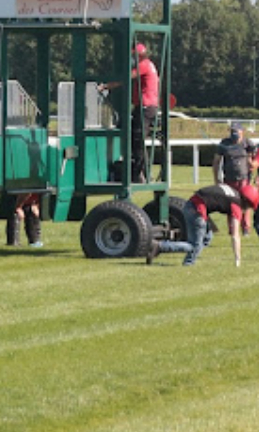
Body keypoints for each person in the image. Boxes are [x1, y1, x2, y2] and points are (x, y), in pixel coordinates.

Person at [101, 42, 160, 182]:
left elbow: (126, 78)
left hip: (145, 107)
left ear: (138, 55)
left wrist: (106, 86)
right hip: (147, 106)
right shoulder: (149, 64)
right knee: (136, 141)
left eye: (133, 56)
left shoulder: (144, 65)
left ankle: (139, 174)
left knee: (137, 141)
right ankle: (143, 172)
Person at [154, 183, 244, 267]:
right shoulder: (236, 205)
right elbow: (235, 235)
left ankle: (190, 258)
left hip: (193, 203)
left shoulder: (233, 192)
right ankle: (160, 247)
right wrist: (237, 259)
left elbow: (212, 197)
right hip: (196, 209)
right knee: (194, 245)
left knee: (208, 237)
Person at [214, 124, 259, 226]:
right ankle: (232, 227)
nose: (233, 134)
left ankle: (246, 225)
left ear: (242, 132)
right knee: (230, 203)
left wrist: (256, 177)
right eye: (232, 132)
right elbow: (216, 162)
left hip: (244, 179)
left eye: (236, 131)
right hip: (229, 179)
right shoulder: (224, 143)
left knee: (246, 202)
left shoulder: (248, 144)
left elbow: (255, 161)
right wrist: (216, 178)